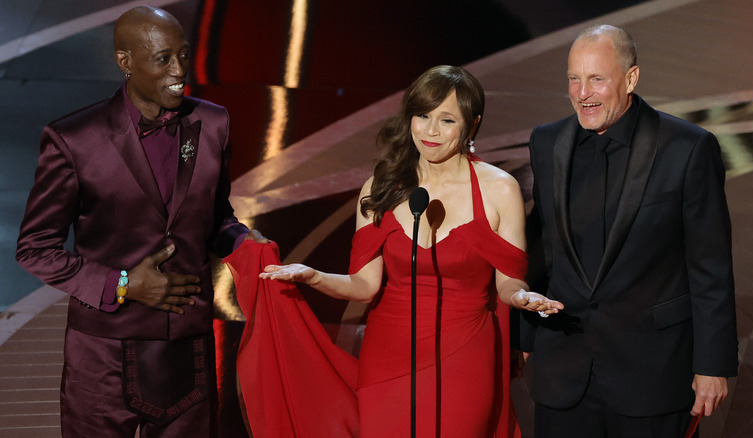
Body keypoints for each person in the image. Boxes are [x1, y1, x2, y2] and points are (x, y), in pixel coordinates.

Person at [229, 65, 563, 437]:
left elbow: (507, 282)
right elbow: (364, 285)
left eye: (446, 119)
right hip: (388, 354)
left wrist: (521, 297)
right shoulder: (382, 187)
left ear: (472, 124)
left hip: (464, 354)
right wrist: (312, 275)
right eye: (422, 115)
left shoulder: (499, 189)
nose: (430, 130)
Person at [16, 6, 266, 437]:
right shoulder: (74, 139)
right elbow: (35, 249)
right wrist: (124, 284)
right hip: (103, 355)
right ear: (125, 61)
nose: (179, 70)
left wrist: (243, 242)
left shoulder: (213, 123)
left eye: (184, 56)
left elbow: (216, 216)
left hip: (187, 350)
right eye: (163, 58)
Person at [521, 24, 739, 437]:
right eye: (574, 78)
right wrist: (525, 335)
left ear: (631, 78)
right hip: (564, 370)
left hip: (652, 374)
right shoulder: (547, 142)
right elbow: (543, 249)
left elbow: (710, 267)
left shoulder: (687, 148)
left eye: (597, 79)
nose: (582, 93)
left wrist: (713, 365)